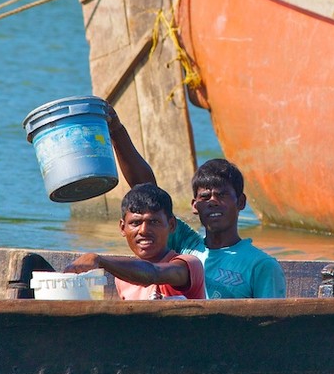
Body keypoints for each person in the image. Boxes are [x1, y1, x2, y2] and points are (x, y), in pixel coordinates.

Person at [106, 106, 286, 299]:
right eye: (205, 197)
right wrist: (116, 130)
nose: (213, 202)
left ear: (241, 202)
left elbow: (272, 320)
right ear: (194, 206)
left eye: (222, 195)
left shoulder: (261, 264)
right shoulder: (187, 246)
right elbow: (146, 191)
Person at [64, 182, 206, 300]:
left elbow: (153, 274)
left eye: (154, 222)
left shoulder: (188, 265)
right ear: (122, 227)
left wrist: (98, 260)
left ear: (171, 225)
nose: (143, 230)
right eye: (135, 223)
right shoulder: (122, 277)